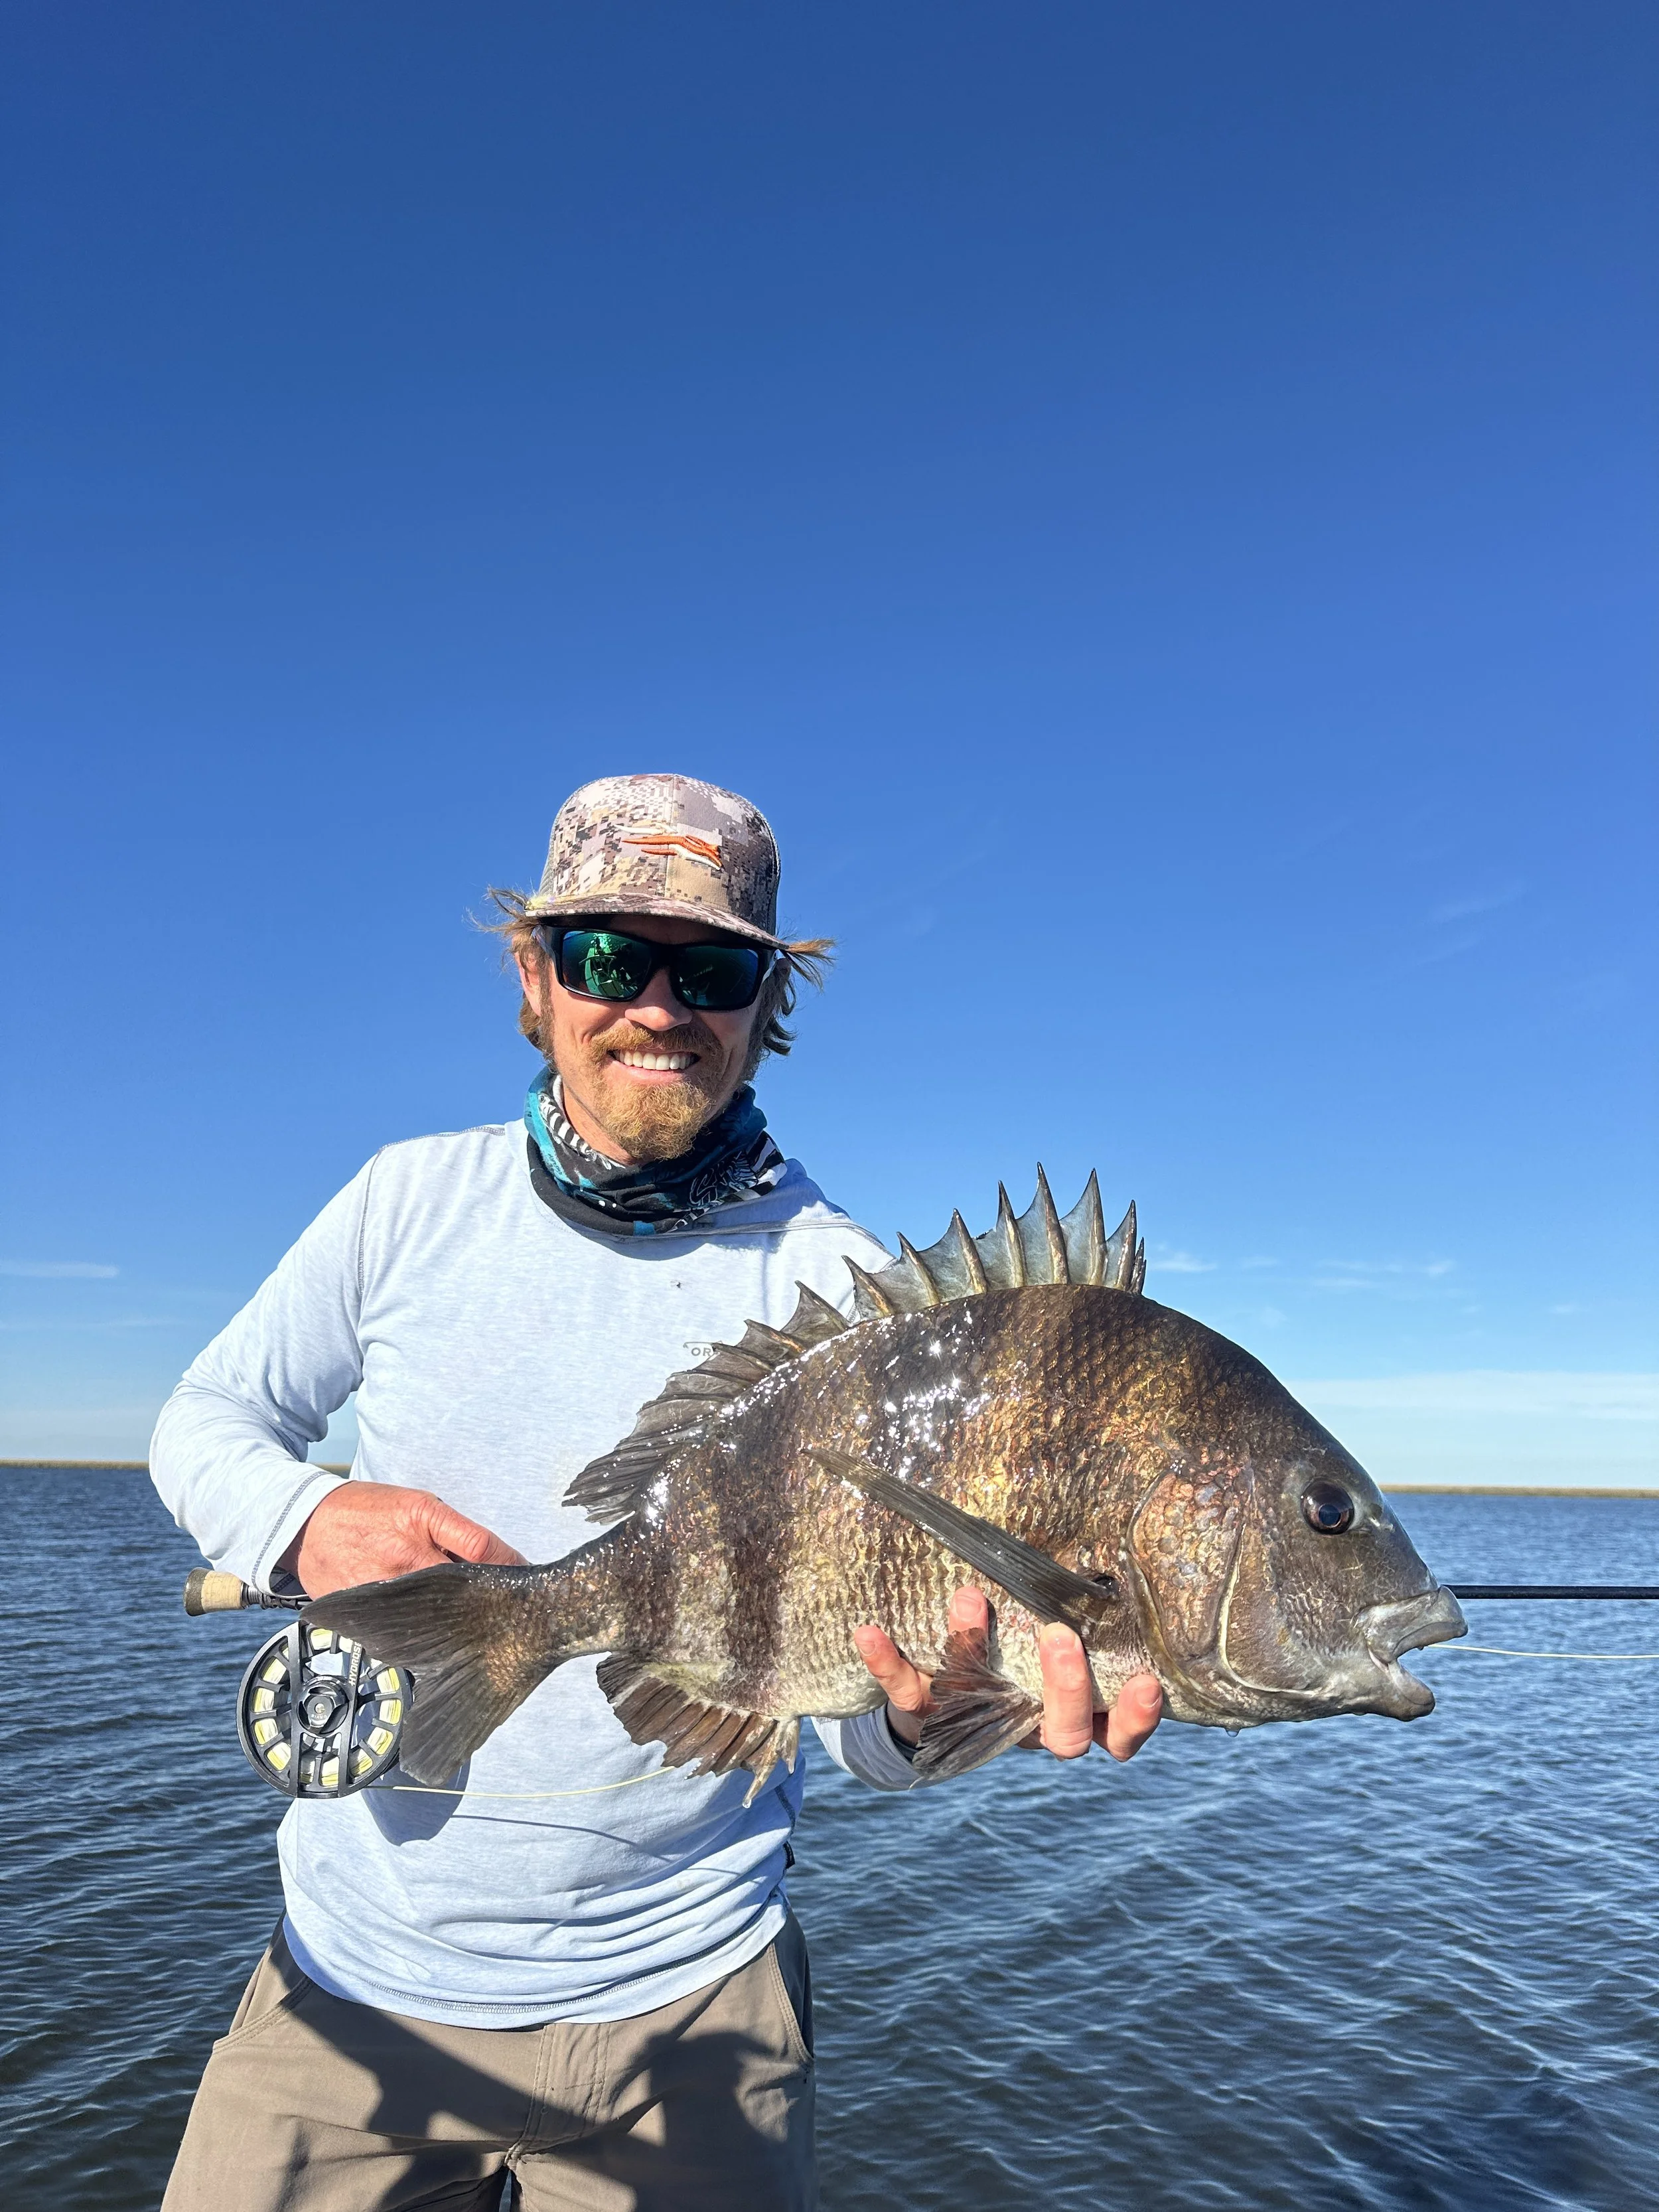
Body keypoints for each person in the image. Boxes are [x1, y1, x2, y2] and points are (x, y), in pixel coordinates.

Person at [151, 772, 1163, 2211]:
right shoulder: (403, 1203)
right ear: (535, 975)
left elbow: (858, 1729)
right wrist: (302, 1517)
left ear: (766, 1002)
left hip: (700, 2013)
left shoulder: (840, 1286)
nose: (658, 1005)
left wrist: (946, 1715)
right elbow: (206, 1418)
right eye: (610, 958)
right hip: (353, 1993)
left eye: (714, 968)